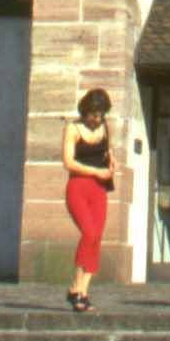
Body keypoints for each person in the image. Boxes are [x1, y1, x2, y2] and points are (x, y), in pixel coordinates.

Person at [60, 87, 118, 311]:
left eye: (100, 114)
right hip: (78, 186)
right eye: (93, 114)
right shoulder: (73, 128)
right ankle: (75, 286)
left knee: (96, 238)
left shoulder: (105, 127)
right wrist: (95, 172)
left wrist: (112, 162)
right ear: (85, 111)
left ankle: (83, 292)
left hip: (99, 190)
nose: (96, 119)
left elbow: (107, 151)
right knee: (89, 233)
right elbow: (68, 162)